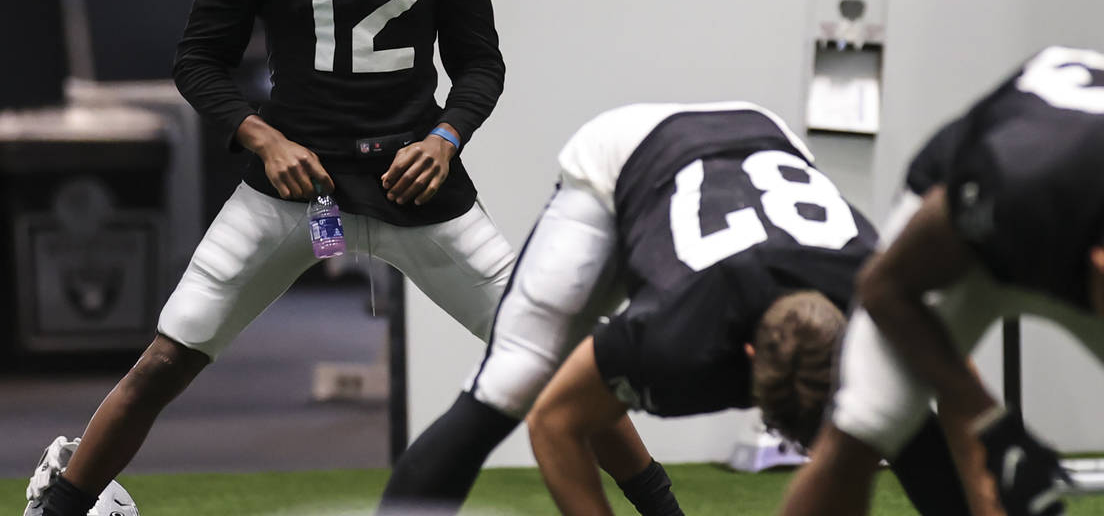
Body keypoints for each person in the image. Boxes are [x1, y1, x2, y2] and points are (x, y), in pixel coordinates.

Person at [22, 0, 517, 516]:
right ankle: (61, 504)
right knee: (167, 356)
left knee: (550, 355)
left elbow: (481, 64)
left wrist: (446, 137)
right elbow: (198, 61)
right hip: (299, 185)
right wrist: (264, 139)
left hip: (415, 183)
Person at [381, 102, 975, 516]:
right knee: (510, 382)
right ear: (743, 360)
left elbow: (960, 406)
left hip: (762, 136)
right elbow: (556, 422)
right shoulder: (680, 335)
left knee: (910, 432)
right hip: (625, 158)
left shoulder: (888, 308)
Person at [778, 45, 1104, 516]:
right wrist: (986, 418)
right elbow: (883, 288)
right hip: (969, 244)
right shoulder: (1014, 184)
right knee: (862, 428)